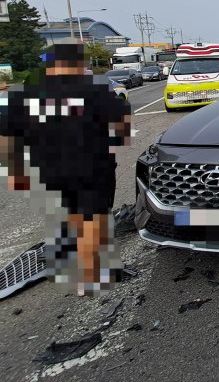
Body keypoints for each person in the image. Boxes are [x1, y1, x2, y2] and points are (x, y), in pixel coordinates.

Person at [0, 39, 131, 295]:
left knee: (72, 211)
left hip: (50, 170)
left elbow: (6, 136)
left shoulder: (24, 94)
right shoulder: (94, 91)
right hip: (92, 167)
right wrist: (116, 139)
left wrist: (14, 169)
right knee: (94, 216)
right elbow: (121, 121)